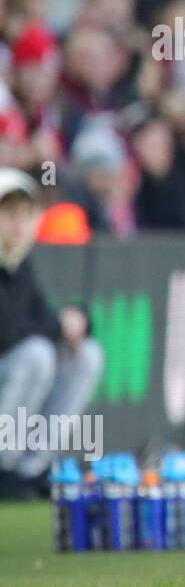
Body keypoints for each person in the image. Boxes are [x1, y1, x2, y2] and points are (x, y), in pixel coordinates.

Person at [0, 168, 104, 500]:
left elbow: (39, 316)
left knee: (85, 354)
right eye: (7, 214)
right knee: (36, 354)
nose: (17, 224)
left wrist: (77, 321)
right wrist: (59, 325)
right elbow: (7, 330)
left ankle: (31, 468)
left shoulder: (18, 262)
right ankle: (5, 465)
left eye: (23, 215)